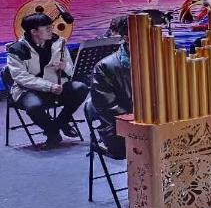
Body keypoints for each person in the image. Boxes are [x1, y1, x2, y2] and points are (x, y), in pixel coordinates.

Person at [6, 13, 89, 148]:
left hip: (56, 87)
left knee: (81, 88)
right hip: (28, 90)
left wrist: (65, 67)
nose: (52, 31)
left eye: (51, 27)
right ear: (34, 31)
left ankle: (59, 123)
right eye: (47, 28)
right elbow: (21, 77)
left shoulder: (59, 42)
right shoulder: (17, 49)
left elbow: (71, 70)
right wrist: (48, 86)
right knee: (34, 106)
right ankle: (53, 133)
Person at [87, 16, 133, 159]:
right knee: (154, 144)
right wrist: (141, 124)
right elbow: (108, 108)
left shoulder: (164, 60)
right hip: (119, 130)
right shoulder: (104, 67)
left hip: (157, 123)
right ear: (127, 38)